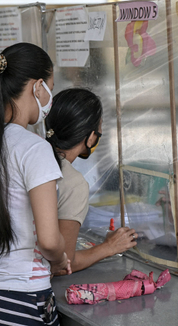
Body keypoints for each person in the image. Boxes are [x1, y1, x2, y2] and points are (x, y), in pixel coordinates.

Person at [0, 43, 71, 326]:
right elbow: (48, 239)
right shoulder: (35, 149)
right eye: (50, 87)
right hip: (18, 297)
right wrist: (58, 260)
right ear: (37, 86)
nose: (49, 98)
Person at [44, 89, 137, 274]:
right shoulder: (72, 182)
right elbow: (64, 264)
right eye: (99, 127)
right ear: (91, 137)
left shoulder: (30, 157)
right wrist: (109, 247)